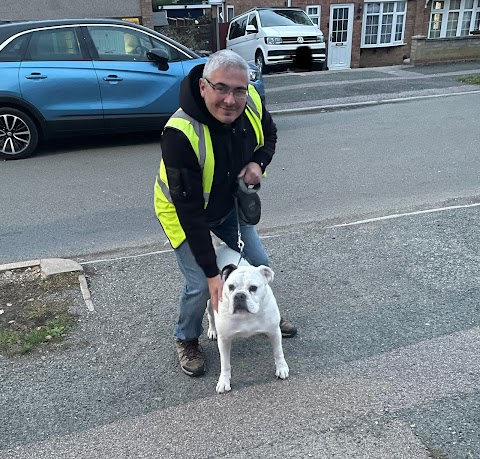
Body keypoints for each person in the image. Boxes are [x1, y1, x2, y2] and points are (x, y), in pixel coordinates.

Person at [154, 49, 296, 377]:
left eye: (239, 90)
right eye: (221, 88)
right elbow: (189, 211)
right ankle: (186, 338)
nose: (231, 100)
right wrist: (211, 271)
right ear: (203, 87)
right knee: (202, 285)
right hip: (183, 213)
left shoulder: (252, 104)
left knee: (260, 263)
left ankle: (266, 316)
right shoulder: (178, 133)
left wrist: (257, 164)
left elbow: (269, 138)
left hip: (227, 204)